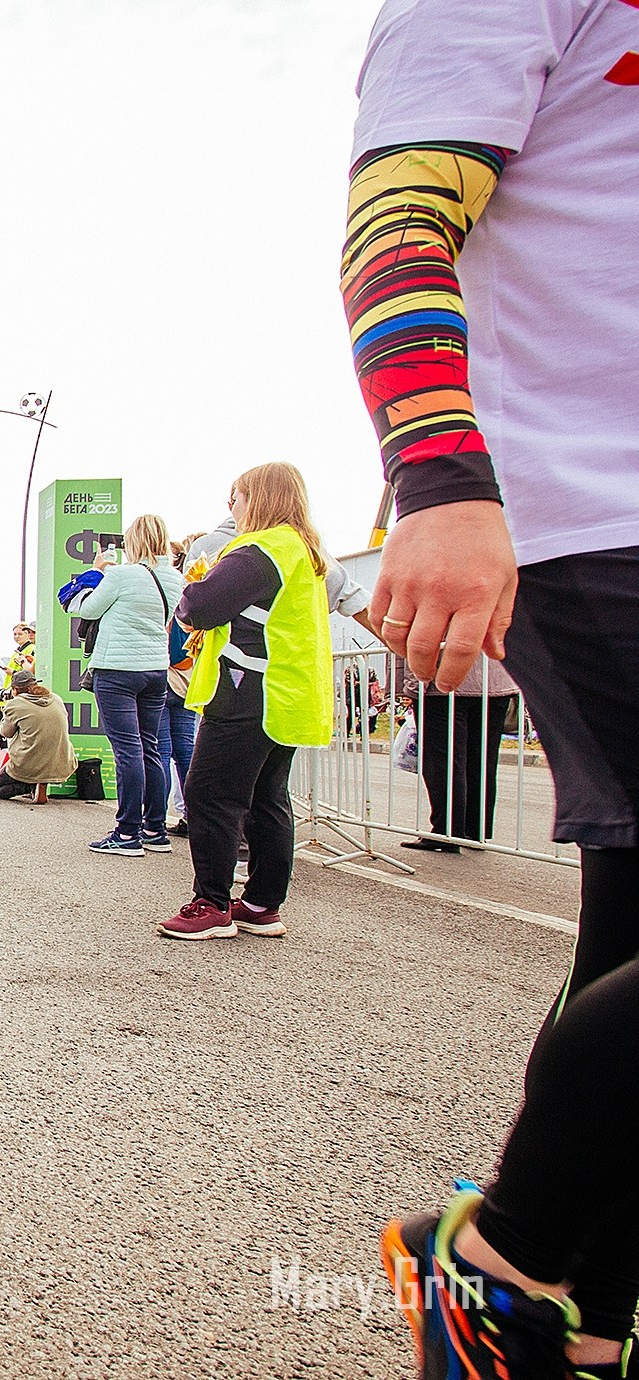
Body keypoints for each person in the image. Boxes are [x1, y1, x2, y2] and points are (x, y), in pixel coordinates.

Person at [342, 11, 639, 1369]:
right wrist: (442, 479)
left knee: (632, 933)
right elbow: (400, 214)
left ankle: (581, 1312)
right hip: (586, 509)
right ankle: (500, 1270)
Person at [159, 464, 330, 943]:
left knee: (210, 793)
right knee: (267, 797)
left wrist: (196, 583)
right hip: (285, 692)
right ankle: (261, 903)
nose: (230, 507)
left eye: (234, 497)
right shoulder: (304, 551)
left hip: (246, 687)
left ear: (257, 497)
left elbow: (200, 606)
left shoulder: (260, 550)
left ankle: (211, 903)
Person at [70, 514, 186, 856]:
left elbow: (87, 609)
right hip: (156, 670)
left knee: (128, 751)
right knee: (150, 747)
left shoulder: (121, 575)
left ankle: (126, 833)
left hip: (117, 670)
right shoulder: (175, 578)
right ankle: (155, 828)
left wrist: (96, 572)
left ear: (132, 541)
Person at [404, 655, 520, 854]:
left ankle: (448, 831)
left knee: (444, 762)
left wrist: (413, 684)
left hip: (444, 679)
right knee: (483, 761)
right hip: (495, 680)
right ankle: (475, 830)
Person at [0, 670, 75, 802]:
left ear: (15, 690)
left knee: (0, 789)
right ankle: (39, 785)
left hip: (29, 764)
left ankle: (31, 784)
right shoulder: (56, 698)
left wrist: (6, 710)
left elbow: (5, 732)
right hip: (61, 762)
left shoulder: (15, 704)